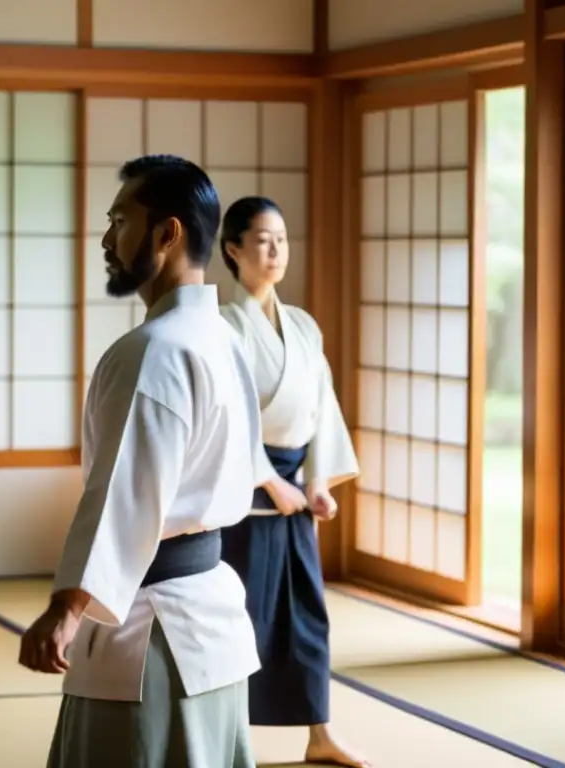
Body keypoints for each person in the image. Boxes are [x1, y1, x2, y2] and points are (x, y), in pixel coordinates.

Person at [18, 155, 271, 768]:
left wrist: (66, 608)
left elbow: (123, 495)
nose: (107, 240)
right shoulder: (224, 340)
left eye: (119, 221)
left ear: (167, 234)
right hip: (213, 622)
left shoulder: (154, 351)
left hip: (152, 632)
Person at [217, 196, 369, 768]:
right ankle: (233, 742)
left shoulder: (303, 325)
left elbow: (321, 409)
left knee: (308, 614)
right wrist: (266, 481)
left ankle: (320, 734)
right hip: (247, 494)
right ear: (232, 249)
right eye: (261, 239)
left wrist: (317, 480)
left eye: (281, 238)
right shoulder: (223, 326)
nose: (275, 249)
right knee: (244, 619)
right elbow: (229, 414)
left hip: (298, 491)